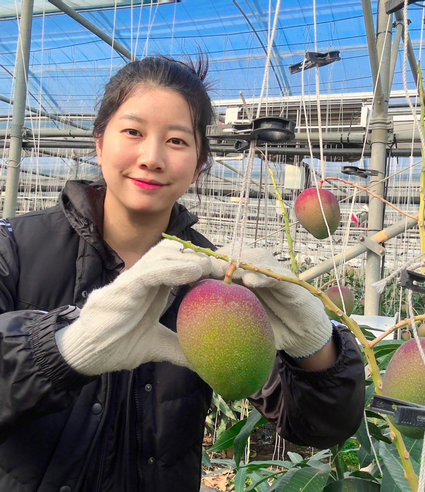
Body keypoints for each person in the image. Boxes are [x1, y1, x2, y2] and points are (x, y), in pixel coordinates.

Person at [0, 55, 365, 492]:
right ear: (99, 142)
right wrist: (61, 350)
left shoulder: (218, 282)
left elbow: (317, 429)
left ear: (199, 164)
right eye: (133, 132)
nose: (152, 157)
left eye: (176, 141)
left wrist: (316, 349)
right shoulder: (13, 247)